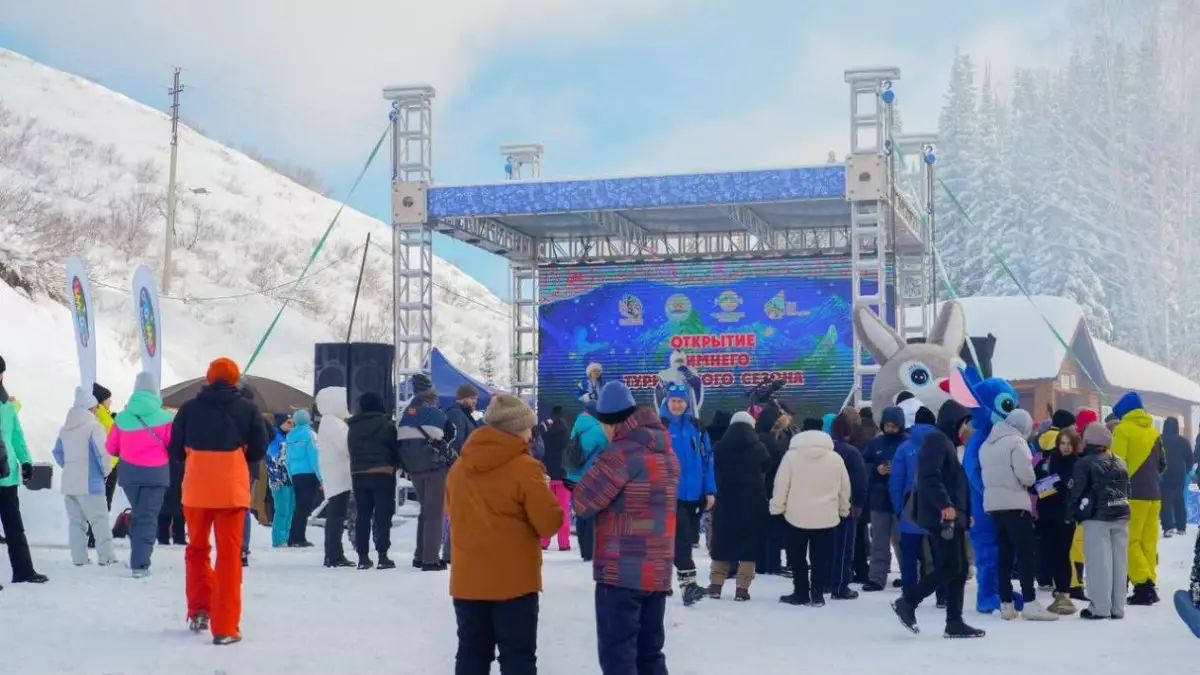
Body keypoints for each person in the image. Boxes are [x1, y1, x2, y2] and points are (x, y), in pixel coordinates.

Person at [446, 395, 562, 674]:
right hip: (514, 583)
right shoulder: (525, 468)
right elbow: (548, 523)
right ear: (518, 429)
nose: (532, 433)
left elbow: (451, 512)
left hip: (468, 580)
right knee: (517, 657)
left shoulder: (459, 468)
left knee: (471, 653)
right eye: (529, 428)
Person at [573, 382, 679, 675]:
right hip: (657, 570)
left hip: (621, 572)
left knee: (618, 655)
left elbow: (584, 503)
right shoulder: (666, 452)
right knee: (650, 654)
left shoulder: (620, 454)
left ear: (610, 422)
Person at [167, 357, 268, 645]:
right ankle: (225, 627)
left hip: (196, 490)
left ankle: (199, 609)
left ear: (208, 379)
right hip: (231, 491)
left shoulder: (188, 408)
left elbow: (175, 451)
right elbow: (258, 450)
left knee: (197, 549)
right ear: (235, 380)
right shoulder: (248, 409)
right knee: (229, 557)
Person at [890, 400, 985, 639]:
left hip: (950, 515)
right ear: (955, 422)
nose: (967, 429)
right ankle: (909, 602)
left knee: (960, 568)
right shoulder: (936, 440)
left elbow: (954, 482)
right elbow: (929, 476)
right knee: (952, 566)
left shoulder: (946, 443)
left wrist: (966, 513)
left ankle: (954, 621)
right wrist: (945, 506)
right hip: (941, 515)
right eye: (965, 423)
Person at [979, 409, 1057, 621]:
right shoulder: (1016, 442)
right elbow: (1027, 476)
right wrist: (1033, 480)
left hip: (994, 506)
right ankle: (1030, 603)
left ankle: (1006, 604)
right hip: (1015, 504)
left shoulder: (987, 444)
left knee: (1004, 554)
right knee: (1025, 553)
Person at [771, 426, 850, 607]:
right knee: (821, 558)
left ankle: (800, 592)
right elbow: (844, 488)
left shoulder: (791, 457)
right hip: (826, 516)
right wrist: (843, 510)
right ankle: (818, 593)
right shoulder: (835, 459)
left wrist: (777, 508)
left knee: (797, 557)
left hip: (795, 515)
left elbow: (781, 485)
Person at [106, 371, 173, 577]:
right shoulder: (166, 418)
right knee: (148, 517)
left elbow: (110, 447)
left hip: (129, 474)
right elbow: (173, 446)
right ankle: (140, 564)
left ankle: (138, 556)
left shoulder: (123, 418)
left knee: (139, 514)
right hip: (156, 473)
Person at [659, 383, 715, 606]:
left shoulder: (697, 427)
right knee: (680, 540)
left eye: (681, 401)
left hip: (693, 493)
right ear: (667, 401)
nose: (677, 405)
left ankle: (661, 584)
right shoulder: (657, 426)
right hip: (667, 494)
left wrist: (710, 490)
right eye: (673, 400)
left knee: (685, 539)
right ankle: (688, 586)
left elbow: (708, 460)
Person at [1069, 422, 1131, 620]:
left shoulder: (1084, 463)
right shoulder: (1120, 461)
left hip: (1097, 516)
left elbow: (1076, 492)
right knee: (1119, 562)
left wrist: (1070, 513)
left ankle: (1100, 607)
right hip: (1121, 513)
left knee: (1099, 562)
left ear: (1088, 442)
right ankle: (1117, 607)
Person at [1109, 391, 1167, 605]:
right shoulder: (1153, 432)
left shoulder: (1123, 430)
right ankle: (1150, 579)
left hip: (1132, 495)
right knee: (1148, 542)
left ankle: (1143, 585)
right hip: (1154, 495)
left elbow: (1116, 465)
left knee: (1129, 541)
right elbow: (1163, 464)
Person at [52, 386, 118, 567]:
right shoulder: (93, 427)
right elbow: (102, 454)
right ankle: (107, 557)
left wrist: (70, 467)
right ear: (91, 408)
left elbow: (57, 452)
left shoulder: (65, 428)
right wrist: (105, 472)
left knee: (76, 523)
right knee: (99, 520)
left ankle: (79, 558)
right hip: (90, 482)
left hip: (69, 483)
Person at [707, 411, 769, 601]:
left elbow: (711, 468)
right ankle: (742, 588)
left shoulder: (719, 447)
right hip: (752, 502)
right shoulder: (759, 447)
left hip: (725, 500)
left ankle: (716, 585)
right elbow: (768, 466)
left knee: (722, 542)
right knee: (749, 546)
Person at [398, 373, 454, 571]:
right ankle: (430, 559)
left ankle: (419, 555)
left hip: (413, 467)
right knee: (435, 512)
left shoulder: (407, 412)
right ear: (431, 394)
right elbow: (447, 434)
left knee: (425, 511)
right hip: (433, 466)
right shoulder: (434, 413)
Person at [890, 406, 945, 606]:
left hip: (910, 508)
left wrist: (898, 508)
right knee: (940, 555)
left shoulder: (904, 448)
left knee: (909, 556)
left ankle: (909, 595)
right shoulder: (942, 445)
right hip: (937, 508)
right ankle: (943, 596)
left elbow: (896, 481)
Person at [0, 356, 47, 586]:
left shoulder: (7, 406)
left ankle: (23, 571)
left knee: (14, 526)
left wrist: (26, 461)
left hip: (6, 475)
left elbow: (16, 436)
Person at [1034, 425, 1083, 615]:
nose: (1066, 447)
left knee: (1063, 554)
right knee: (1051, 554)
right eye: (1062, 443)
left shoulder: (1077, 463)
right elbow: (1038, 485)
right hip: (1046, 514)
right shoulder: (1048, 460)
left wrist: (1050, 485)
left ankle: (1064, 592)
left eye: (1069, 444)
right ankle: (1060, 592)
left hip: (1065, 514)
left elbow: (1066, 485)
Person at [347, 392, 400, 569]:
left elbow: (351, 450)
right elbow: (395, 449)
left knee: (363, 515)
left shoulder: (352, 426)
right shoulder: (387, 426)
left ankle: (363, 557)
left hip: (359, 474)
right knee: (382, 516)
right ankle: (383, 556)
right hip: (383, 473)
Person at [862, 406, 907, 591]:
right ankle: (876, 577)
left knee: (902, 540)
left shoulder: (907, 444)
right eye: (887, 425)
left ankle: (909, 574)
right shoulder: (875, 443)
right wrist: (876, 470)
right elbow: (864, 463)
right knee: (879, 540)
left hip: (901, 500)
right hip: (879, 498)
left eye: (894, 426)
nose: (890, 429)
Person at [829, 408, 867, 599]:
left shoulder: (824, 450)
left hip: (822, 505)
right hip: (845, 505)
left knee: (825, 545)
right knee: (844, 546)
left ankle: (824, 581)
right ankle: (840, 584)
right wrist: (858, 505)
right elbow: (860, 481)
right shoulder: (850, 452)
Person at [313, 387, 353, 568]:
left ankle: (333, 553)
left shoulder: (329, 421)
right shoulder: (333, 423)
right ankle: (334, 554)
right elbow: (347, 444)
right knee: (336, 516)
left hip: (335, 473)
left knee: (336, 516)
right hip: (339, 475)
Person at [565, 403, 609, 562]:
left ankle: (584, 548)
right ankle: (590, 550)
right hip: (590, 476)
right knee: (591, 513)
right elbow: (608, 447)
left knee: (580, 513)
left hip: (573, 475)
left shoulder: (577, 426)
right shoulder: (598, 429)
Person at [444, 385, 482, 564]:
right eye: (472, 398)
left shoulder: (462, 415)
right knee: (459, 512)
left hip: (463, 468)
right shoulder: (458, 415)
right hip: (461, 469)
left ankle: (456, 550)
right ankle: (452, 551)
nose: (475, 402)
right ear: (462, 398)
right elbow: (457, 443)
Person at [754, 404, 792, 576]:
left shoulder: (758, 437)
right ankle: (773, 564)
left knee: (763, 529)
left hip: (761, 489)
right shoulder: (771, 440)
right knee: (774, 528)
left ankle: (763, 563)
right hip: (772, 488)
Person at [537, 405, 572, 552]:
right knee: (563, 510)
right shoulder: (566, 429)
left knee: (546, 510)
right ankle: (563, 543)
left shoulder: (546, 428)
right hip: (563, 475)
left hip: (546, 474)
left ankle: (544, 541)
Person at [285, 409, 321, 548]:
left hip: (296, 474)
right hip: (309, 474)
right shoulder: (310, 434)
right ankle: (298, 538)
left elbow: (287, 458)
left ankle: (293, 536)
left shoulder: (290, 436)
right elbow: (314, 457)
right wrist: (321, 477)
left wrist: (291, 474)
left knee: (299, 506)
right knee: (304, 507)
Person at [1160, 417, 1194, 538]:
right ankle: (1181, 527)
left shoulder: (1159, 439)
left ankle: (1168, 527)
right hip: (1179, 474)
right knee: (1179, 500)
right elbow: (1190, 459)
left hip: (1164, 473)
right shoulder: (1183, 441)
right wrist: (1188, 469)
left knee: (1165, 502)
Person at [265, 414, 295, 548]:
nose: (291, 424)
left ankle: (286, 536)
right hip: (279, 480)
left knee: (290, 508)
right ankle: (279, 539)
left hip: (289, 478)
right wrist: (275, 478)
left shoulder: (288, 437)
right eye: (288, 422)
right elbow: (271, 459)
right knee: (282, 509)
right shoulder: (275, 438)